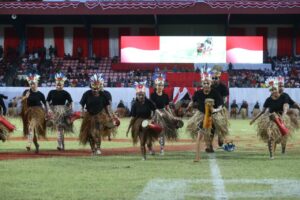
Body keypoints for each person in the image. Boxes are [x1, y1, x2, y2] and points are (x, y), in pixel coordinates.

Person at [186, 71, 228, 161]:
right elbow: (193, 101)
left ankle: (219, 137)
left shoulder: (215, 93)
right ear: (202, 83)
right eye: (204, 83)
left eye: (208, 83)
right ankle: (199, 155)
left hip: (214, 115)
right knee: (200, 134)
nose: (206, 84)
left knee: (215, 129)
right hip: (201, 115)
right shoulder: (198, 93)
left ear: (210, 83)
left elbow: (221, 106)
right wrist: (189, 106)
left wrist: (215, 110)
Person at [250, 77, 295, 159]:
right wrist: (254, 119)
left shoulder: (284, 96)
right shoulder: (268, 100)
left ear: (277, 88)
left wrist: (284, 116)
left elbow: (285, 106)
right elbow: (262, 111)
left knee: (283, 137)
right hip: (272, 119)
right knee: (271, 135)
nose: (273, 91)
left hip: (282, 117)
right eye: (272, 90)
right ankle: (271, 155)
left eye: (275, 89)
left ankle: (283, 149)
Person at [79, 74, 112, 155]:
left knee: (97, 133)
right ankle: (93, 149)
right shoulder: (86, 94)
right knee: (90, 134)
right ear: (91, 86)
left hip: (100, 116)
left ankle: (98, 148)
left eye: (97, 89)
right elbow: (82, 104)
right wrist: (82, 111)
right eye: (94, 89)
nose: (95, 90)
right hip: (89, 116)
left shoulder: (103, 95)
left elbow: (106, 106)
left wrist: (110, 116)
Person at [150, 73, 183, 155]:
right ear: (156, 86)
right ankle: (151, 148)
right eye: (158, 85)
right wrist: (158, 114)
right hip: (155, 113)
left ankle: (162, 148)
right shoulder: (153, 95)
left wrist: (171, 116)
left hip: (164, 112)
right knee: (151, 130)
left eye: (161, 85)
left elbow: (167, 107)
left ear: (163, 86)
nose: (160, 87)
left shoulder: (165, 96)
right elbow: (153, 107)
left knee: (163, 130)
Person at [127, 81, 159, 160]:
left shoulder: (149, 102)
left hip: (148, 122)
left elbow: (155, 110)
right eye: (139, 95)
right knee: (142, 142)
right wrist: (130, 126)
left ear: (144, 94)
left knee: (148, 141)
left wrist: (153, 119)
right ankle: (143, 156)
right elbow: (133, 116)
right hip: (139, 124)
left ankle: (150, 148)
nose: (140, 96)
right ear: (136, 95)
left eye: (142, 94)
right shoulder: (134, 104)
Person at [21, 73, 47, 153]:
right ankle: (36, 145)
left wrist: (47, 113)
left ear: (37, 84)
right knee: (32, 130)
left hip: (38, 113)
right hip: (29, 113)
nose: (32, 85)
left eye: (33, 83)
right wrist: (26, 97)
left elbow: (45, 104)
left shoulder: (40, 94)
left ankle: (29, 144)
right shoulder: (26, 92)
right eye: (31, 84)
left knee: (31, 127)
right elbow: (22, 100)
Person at [46, 73, 73, 151]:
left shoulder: (66, 93)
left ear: (63, 85)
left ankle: (60, 144)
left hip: (62, 112)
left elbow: (71, 102)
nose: (58, 86)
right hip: (54, 112)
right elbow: (47, 101)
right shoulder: (51, 92)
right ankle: (61, 145)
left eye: (60, 85)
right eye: (57, 85)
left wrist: (70, 110)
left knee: (60, 129)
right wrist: (49, 109)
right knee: (59, 129)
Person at [211, 66, 229, 147]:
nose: (214, 80)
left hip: (220, 109)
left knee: (221, 126)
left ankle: (220, 139)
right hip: (210, 109)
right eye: (213, 78)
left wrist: (220, 106)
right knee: (211, 127)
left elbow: (225, 99)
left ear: (219, 78)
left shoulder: (223, 87)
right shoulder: (209, 86)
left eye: (216, 78)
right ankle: (209, 143)